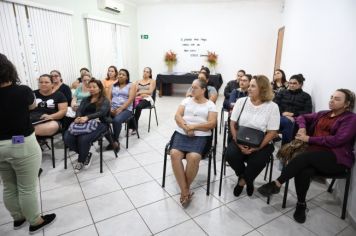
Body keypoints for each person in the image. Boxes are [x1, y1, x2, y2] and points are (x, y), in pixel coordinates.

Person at [258, 89, 356, 224]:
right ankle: (301, 204)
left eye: (337, 99)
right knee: (304, 169)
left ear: (347, 104)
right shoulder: (323, 114)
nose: (332, 100)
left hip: (335, 159)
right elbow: (301, 117)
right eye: (331, 97)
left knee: (304, 158)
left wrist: (309, 139)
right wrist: (303, 127)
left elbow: (337, 140)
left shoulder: (350, 119)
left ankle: (277, 183)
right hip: (313, 156)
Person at [0, 53, 56, 234]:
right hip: (21, 143)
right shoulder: (23, 91)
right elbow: (32, 107)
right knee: (27, 187)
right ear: (9, 69)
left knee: (8, 185)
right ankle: (35, 221)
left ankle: (18, 218)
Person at [225, 75, 280, 197]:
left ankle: (242, 181)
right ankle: (247, 178)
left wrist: (258, 147)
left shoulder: (272, 107)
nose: (249, 88)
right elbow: (232, 123)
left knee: (258, 161)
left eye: (252, 86)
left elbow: (272, 132)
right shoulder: (241, 102)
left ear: (262, 89)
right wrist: (238, 143)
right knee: (230, 155)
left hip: (261, 142)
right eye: (249, 86)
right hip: (240, 138)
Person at [171, 79, 217, 206]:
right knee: (174, 153)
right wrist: (186, 127)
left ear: (203, 90)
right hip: (182, 132)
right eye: (191, 87)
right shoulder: (186, 101)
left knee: (194, 156)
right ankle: (185, 191)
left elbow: (212, 123)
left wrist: (193, 127)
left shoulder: (210, 105)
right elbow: (177, 116)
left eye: (195, 88)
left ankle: (184, 189)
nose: (192, 90)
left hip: (201, 136)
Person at [64, 79, 111, 173]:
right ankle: (86, 154)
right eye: (90, 87)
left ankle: (81, 160)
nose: (91, 89)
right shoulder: (86, 99)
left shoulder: (105, 100)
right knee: (67, 137)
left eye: (94, 87)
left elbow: (102, 112)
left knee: (83, 139)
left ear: (100, 88)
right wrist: (77, 117)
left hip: (100, 123)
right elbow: (79, 110)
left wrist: (87, 117)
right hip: (83, 122)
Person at [274, 74, 312, 144]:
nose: (291, 85)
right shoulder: (282, 92)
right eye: (290, 83)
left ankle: (285, 146)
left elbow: (308, 111)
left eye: (294, 83)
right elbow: (274, 105)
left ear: (300, 84)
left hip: (296, 118)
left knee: (289, 122)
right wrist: (283, 113)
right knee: (286, 121)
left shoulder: (306, 96)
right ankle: (284, 146)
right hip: (280, 115)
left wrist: (293, 114)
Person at [107, 69, 136, 151]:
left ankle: (115, 141)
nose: (120, 75)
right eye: (119, 74)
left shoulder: (131, 85)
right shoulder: (112, 85)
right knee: (103, 119)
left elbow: (130, 99)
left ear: (127, 77)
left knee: (116, 120)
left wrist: (121, 109)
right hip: (112, 108)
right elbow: (108, 98)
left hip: (126, 109)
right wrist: (110, 108)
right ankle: (112, 141)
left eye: (123, 74)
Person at [129, 67, 156, 134]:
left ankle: (134, 127)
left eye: (147, 72)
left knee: (138, 107)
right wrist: (139, 94)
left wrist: (140, 92)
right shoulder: (138, 81)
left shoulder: (152, 81)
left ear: (150, 74)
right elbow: (134, 91)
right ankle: (131, 126)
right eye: (144, 71)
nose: (145, 73)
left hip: (148, 99)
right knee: (129, 106)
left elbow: (150, 92)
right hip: (139, 97)